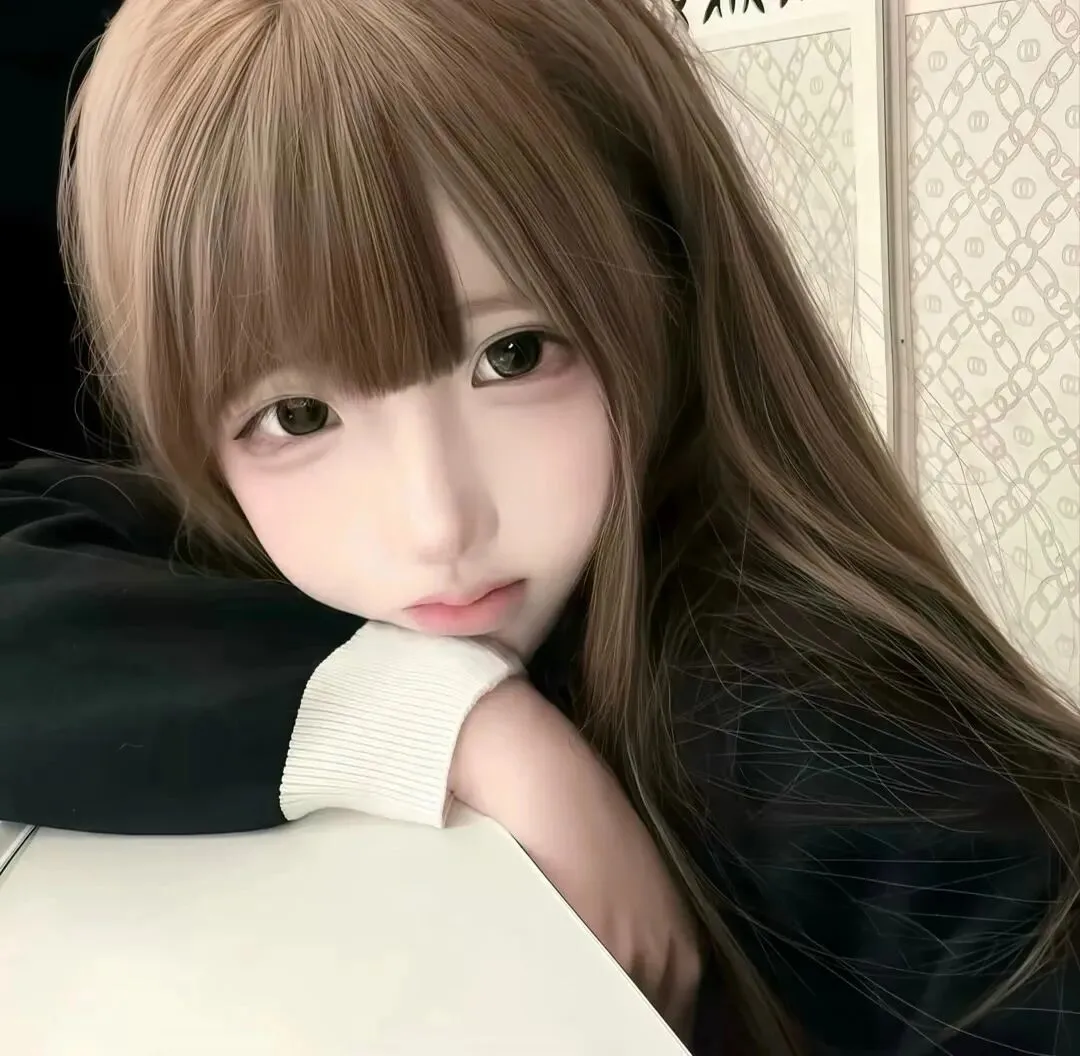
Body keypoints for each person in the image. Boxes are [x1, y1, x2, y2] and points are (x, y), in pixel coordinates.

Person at [1, 1, 1076, 1053]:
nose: (435, 524)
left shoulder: (808, 725)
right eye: (298, 415)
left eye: (511, 356)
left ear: (669, 283)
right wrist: (456, 719)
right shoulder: (235, 529)